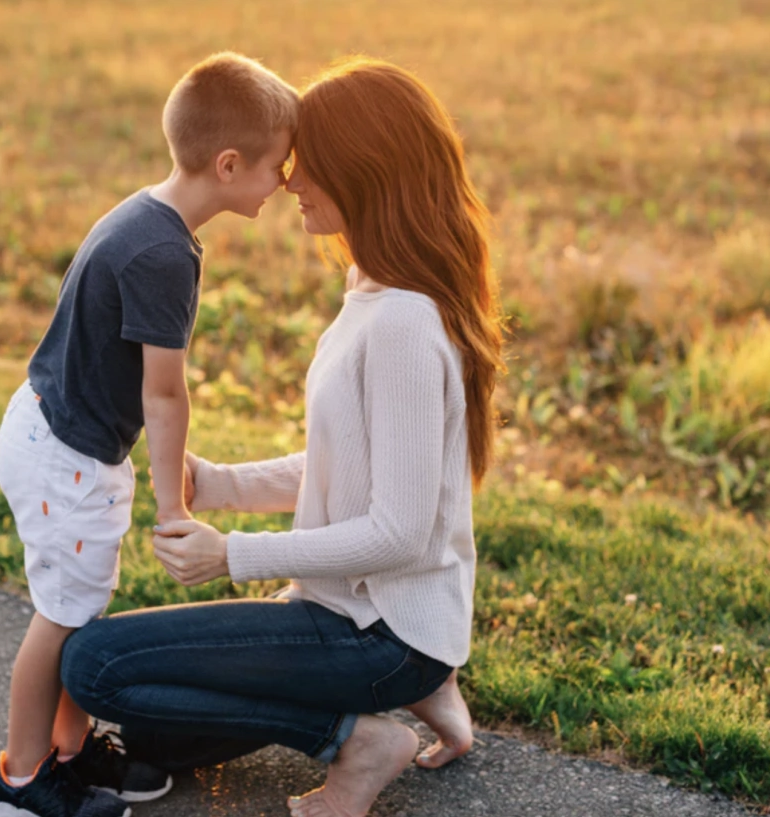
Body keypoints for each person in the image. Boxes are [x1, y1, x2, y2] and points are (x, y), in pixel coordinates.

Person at [60, 57, 505, 817]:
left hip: (375, 634)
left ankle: (360, 738)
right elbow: (348, 469)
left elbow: (396, 532)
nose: (291, 179)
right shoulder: (373, 288)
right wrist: (222, 480)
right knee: (156, 735)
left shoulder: (401, 322)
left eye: (308, 163)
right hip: (368, 619)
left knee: (94, 667)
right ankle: (428, 686)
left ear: (365, 172)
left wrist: (231, 554)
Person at [0, 52, 299, 817]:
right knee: (61, 614)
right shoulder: (164, 252)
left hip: (55, 429)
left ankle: (70, 747)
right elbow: (163, 392)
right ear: (229, 164)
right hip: (67, 456)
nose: (285, 181)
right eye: (277, 168)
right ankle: (20, 786)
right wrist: (171, 506)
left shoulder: (147, 215)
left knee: (79, 608)